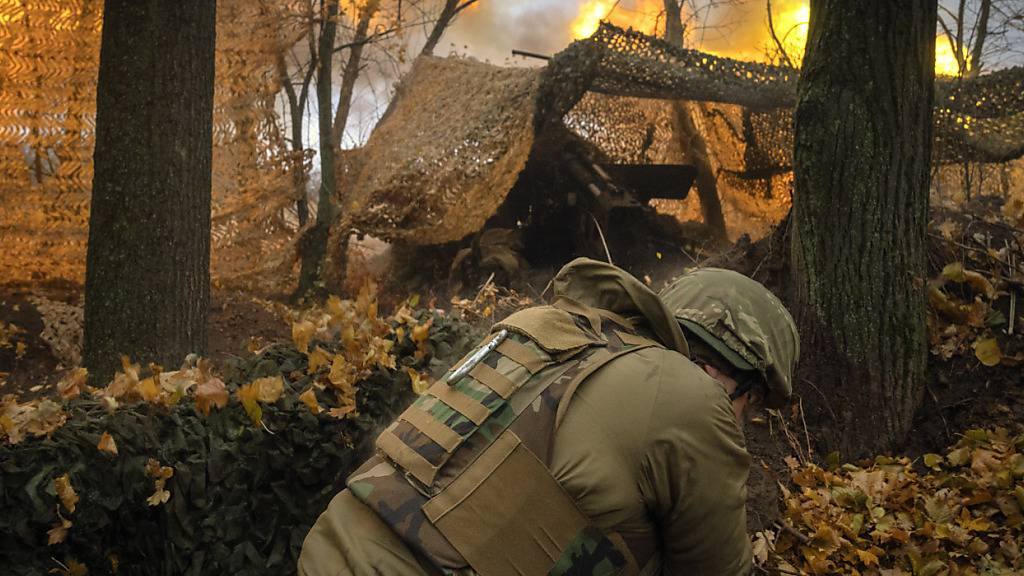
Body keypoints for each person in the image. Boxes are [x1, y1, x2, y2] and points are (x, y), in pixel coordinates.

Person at [298, 258, 799, 576]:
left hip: (327, 550)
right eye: (749, 406)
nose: (742, 423)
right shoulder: (695, 397)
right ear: (727, 377)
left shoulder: (542, 328)